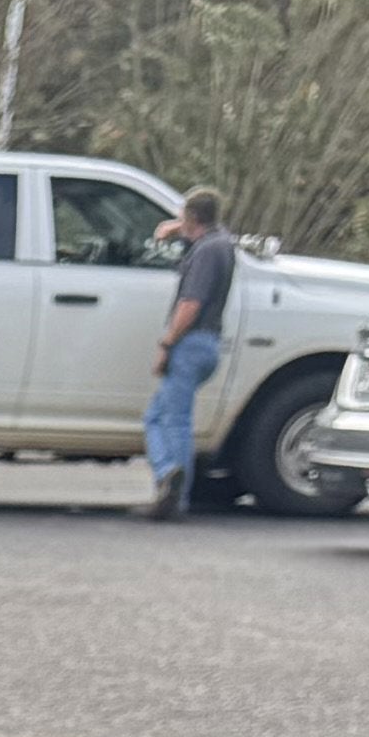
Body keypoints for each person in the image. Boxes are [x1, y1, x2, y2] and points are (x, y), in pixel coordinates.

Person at [145, 189, 238, 518]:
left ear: (192, 218)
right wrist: (177, 227)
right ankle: (169, 478)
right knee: (156, 416)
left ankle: (171, 482)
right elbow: (199, 233)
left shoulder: (206, 252)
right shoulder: (221, 244)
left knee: (175, 421)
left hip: (190, 343)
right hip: (208, 343)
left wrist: (167, 343)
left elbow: (191, 303)